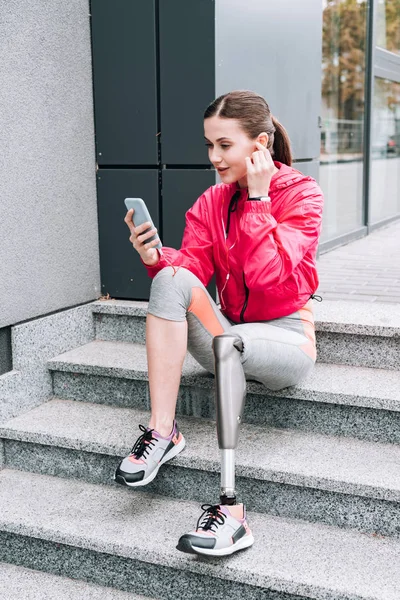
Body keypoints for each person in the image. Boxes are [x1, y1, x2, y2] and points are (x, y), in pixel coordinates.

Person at [115, 90, 324, 557]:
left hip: (285, 339)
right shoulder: (212, 200)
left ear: (260, 144)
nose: (214, 157)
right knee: (170, 278)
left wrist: (258, 199)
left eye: (224, 146)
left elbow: (271, 275)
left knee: (233, 343)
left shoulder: (303, 195)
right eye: (209, 145)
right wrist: (155, 257)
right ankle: (163, 433)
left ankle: (231, 513)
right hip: (230, 328)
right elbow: (191, 270)